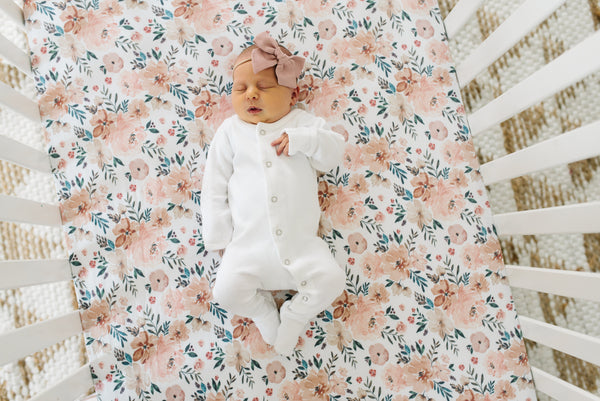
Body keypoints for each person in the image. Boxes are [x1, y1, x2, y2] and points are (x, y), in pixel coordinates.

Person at [200, 32, 346, 354]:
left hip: (301, 247)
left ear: (293, 95)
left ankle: (295, 315)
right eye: (240, 88)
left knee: (333, 281)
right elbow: (214, 183)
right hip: (247, 247)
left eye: (263, 87)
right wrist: (217, 233)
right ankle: (263, 311)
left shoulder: (302, 123)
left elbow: (334, 152)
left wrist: (304, 140)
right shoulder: (230, 131)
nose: (251, 94)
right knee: (225, 292)